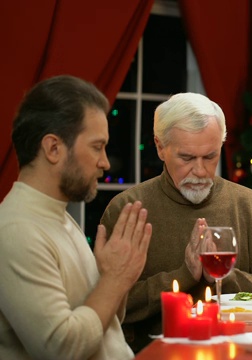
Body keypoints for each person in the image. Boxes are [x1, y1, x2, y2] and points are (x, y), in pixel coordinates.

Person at [100, 92, 252, 352]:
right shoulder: (127, 210)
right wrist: (185, 275)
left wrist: (222, 274)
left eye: (210, 157)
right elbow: (107, 305)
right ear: (160, 147)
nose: (200, 170)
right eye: (186, 158)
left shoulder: (251, 206)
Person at [0, 75, 152, 359]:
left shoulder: (58, 216)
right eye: (97, 146)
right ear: (53, 148)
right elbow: (61, 348)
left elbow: (102, 325)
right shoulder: (15, 230)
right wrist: (114, 280)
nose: (105, 163)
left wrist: (117, 277)